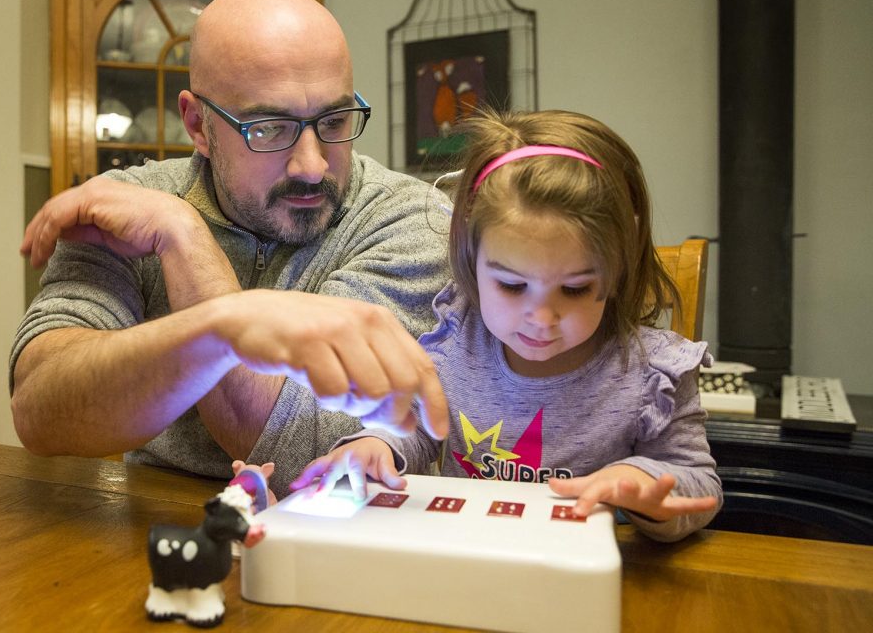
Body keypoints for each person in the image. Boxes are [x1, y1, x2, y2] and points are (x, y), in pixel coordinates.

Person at [9, 0, 451, 497]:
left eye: (334, 121)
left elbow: (304, 454)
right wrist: (180, 233)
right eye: (268, 128)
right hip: (155, 526)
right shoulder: (134, 204)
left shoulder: (411, 220)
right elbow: (40, 410)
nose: (311, 166)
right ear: (197, 123)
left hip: (343, 542)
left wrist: (187, 246)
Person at [293, 109, 722, 542]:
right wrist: (376, 446)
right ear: (469, 257)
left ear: (617, 267)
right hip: (470, 562)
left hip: (584, 577)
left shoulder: (655, 376)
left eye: (574, 289)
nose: (541, 318)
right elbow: (415, 427)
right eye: (513, 286)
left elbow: (698, 484)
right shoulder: (454, 340)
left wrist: (641, 484)